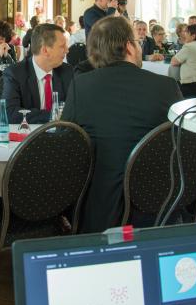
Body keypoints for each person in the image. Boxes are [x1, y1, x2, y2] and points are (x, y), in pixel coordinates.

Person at [61, 16, 183, 233]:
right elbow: (182, 146)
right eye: (137, 42)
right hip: (160, 205)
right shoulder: (167, 86)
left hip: (102, 209)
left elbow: (68, 143)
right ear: (128, 46)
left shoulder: (81, 86)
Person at [2, 24, 73, 124]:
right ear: (45, 50)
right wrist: (53, 116)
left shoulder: (67, 72)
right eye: (62, 46)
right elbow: (10, 113)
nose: (67, 50)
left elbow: (76, 109)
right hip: (27, 136)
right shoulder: (15, 74)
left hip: (61, 135)